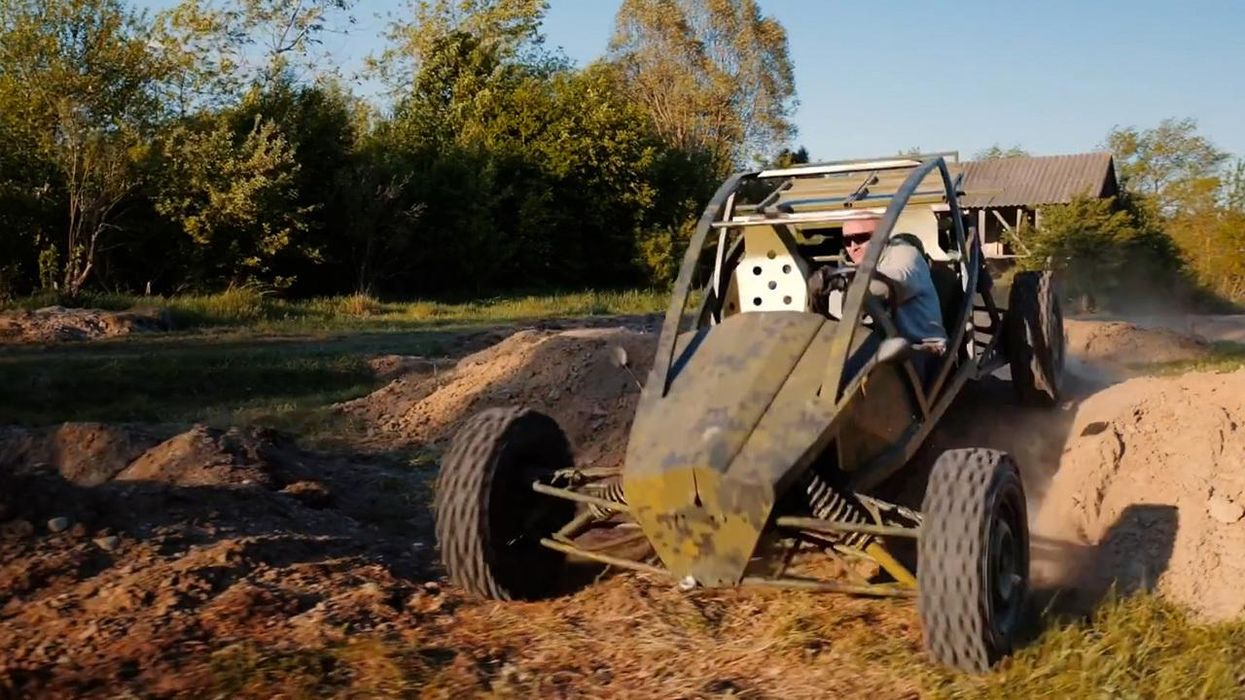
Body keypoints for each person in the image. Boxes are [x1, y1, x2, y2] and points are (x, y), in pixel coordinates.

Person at [812, 213, 948, 374]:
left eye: (860, 238)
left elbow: (887, 286)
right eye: (847, 241)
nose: (853, 247)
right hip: (880, 345)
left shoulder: (903, 254)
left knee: (853, 378)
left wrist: (846, 281)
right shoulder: (857, 266)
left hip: (921, 350)